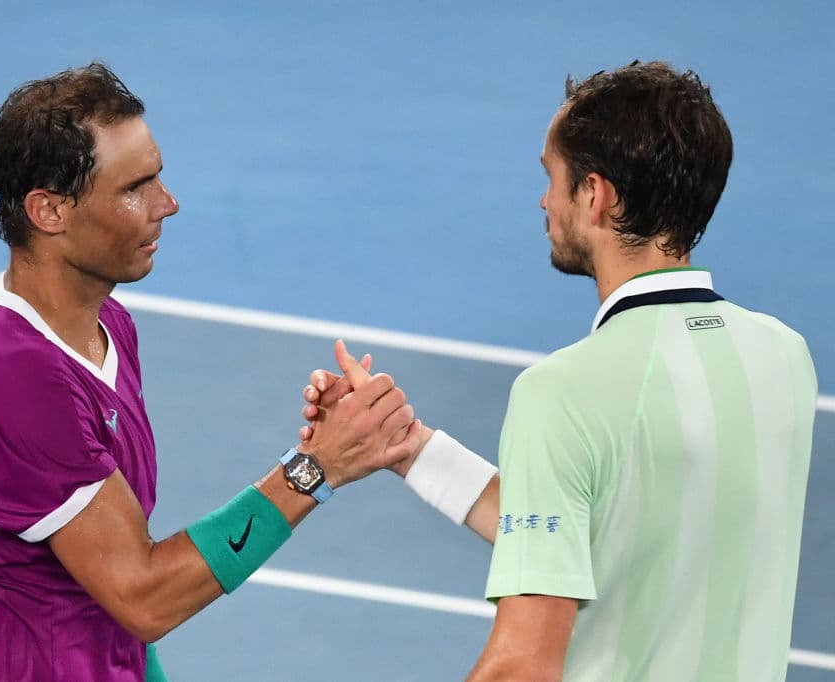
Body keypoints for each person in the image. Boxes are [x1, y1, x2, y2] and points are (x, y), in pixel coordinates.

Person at [300, 61, 817, 680]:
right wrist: (412, 450)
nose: (544, 198)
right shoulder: (784, 356)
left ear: (595, 195)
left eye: (552, 176)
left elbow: (522, 665)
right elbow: (602, 533)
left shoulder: (565, 392)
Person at [0, 62, 422, 682]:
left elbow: (117, 613)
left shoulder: (109, 328)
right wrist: (314, 469)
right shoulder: (6, 378)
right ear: (49, 211)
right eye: (135, 187)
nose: (168, 204)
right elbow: (143, 595)